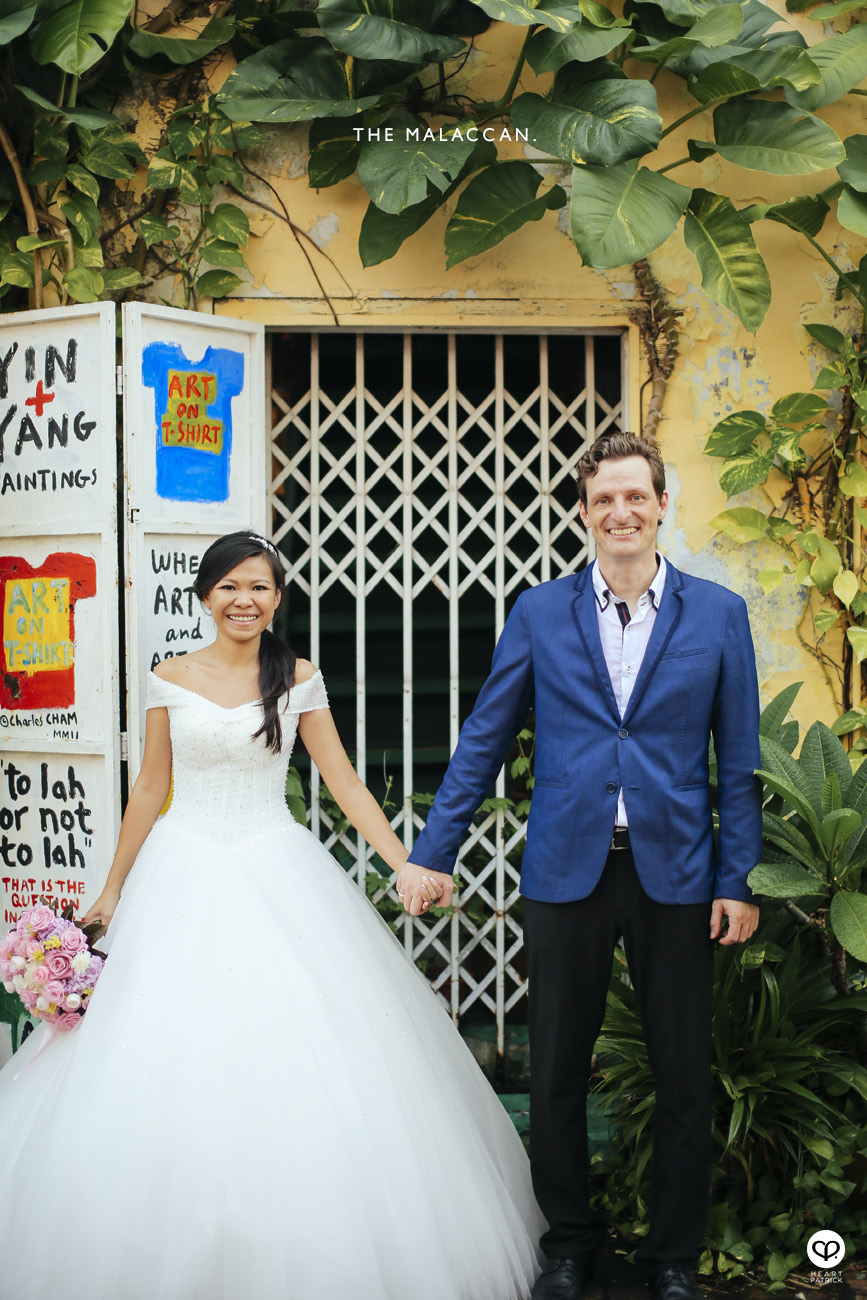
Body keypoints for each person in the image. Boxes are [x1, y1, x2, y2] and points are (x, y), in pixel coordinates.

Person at [0, 529, 545, 1300]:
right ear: (205, 596)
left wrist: (405, 862)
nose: (244, 600)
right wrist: (112, 890)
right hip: (179, 870)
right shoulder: (168, 678)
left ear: (277, 597)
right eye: (229, 586)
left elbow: (344, 784)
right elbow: (150, 788)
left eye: (258, 586)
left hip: (274, 863)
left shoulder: (296, 678)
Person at [397, 433, 762, 1300]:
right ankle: (568, 1244)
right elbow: (485, 737)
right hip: (567, 871)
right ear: (583, 511)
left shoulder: (717, 614)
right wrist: (432, 852)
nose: (620, 513)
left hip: (678, 873)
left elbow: (738, 759)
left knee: (682, 1075)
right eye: (603, 499)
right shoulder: (539, 612)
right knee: (556, 1071)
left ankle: (671, 1258)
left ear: (662, 505)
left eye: (635, 496)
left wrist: (736, 878)